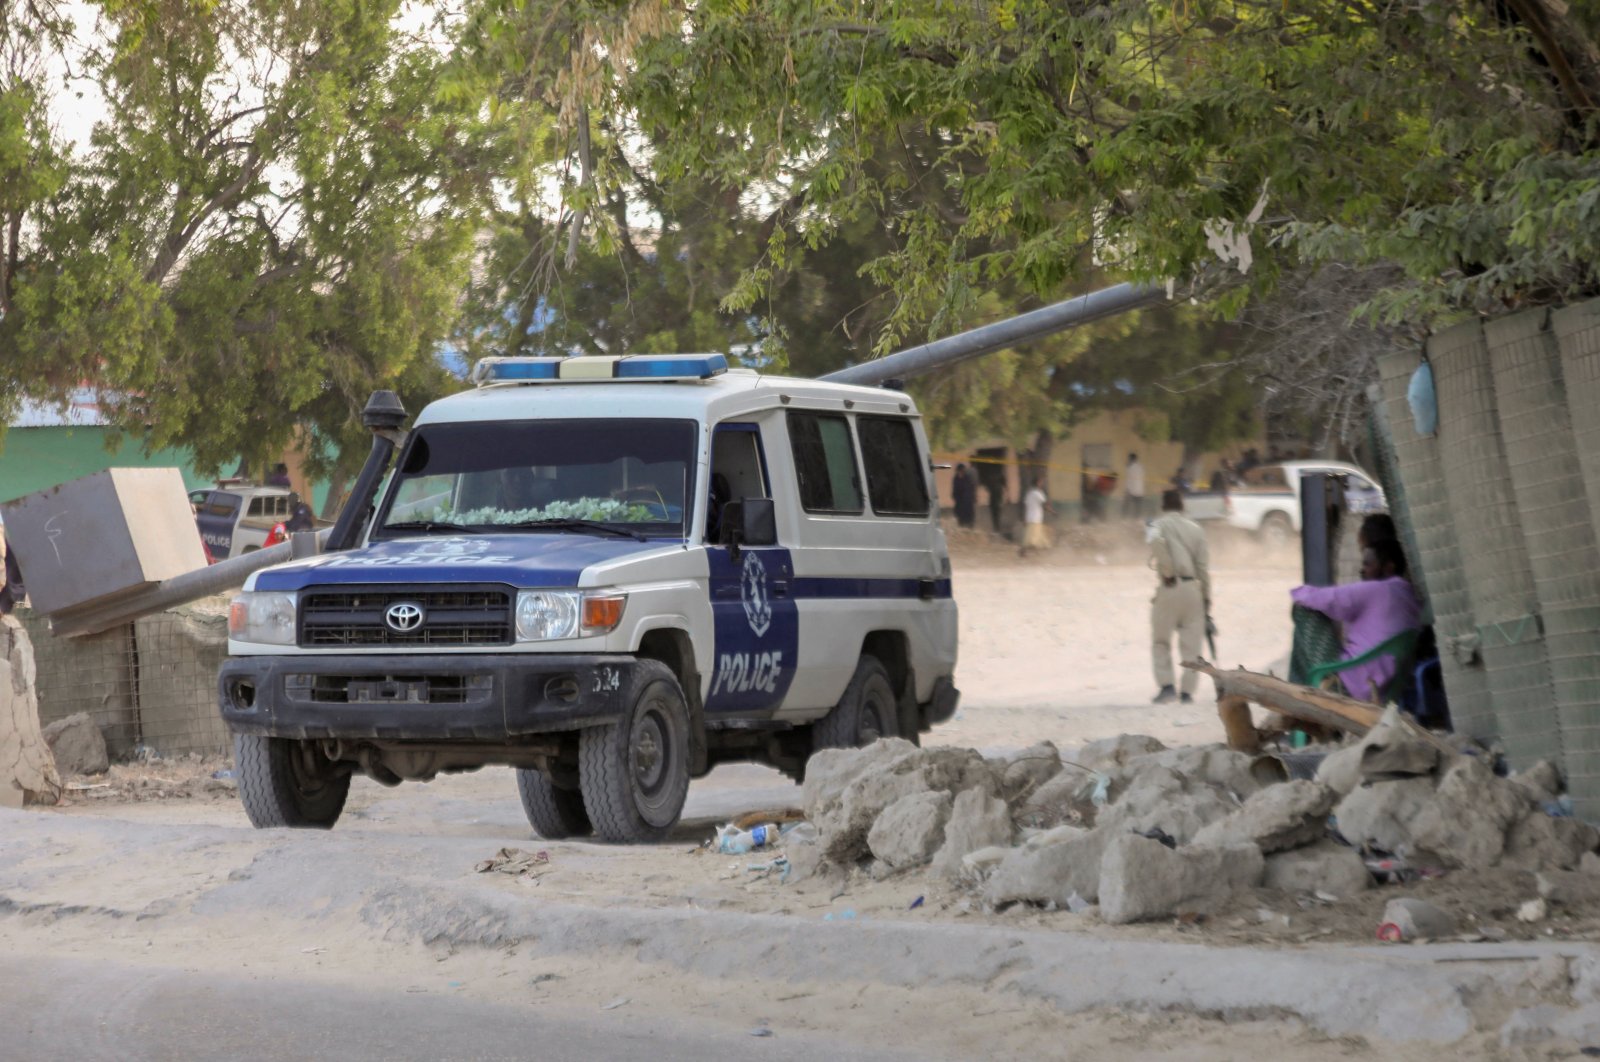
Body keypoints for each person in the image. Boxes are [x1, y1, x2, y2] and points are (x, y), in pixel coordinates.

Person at [1290, 538, 1422, 703]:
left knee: (1304, 610)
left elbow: (1321, 598)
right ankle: (1298, 690)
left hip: (1345, 687)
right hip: (1380, 692)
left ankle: (1295, 692)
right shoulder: (1407, 594)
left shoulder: (1379, 590)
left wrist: (1296, 592)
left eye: (1368, 564)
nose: (1362, 570)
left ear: (1389, 567)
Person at [1148, 489, 1210, 705]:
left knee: (1161, 641)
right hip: (1192, 589)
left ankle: (1166, 687)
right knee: (1192, 644)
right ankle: (1187, 692)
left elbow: (1155, 544)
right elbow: (1203, 568)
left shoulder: (1156, 525)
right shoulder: (1196, 529)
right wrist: (1207, 599)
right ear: (1182, 506)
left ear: (1163, 506)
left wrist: (1167, 572)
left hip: (1169, 587)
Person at [1019, 475, 1054, 557]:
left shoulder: (1029, 493)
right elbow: (1045, 505)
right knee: (1032, 539)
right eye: (1041, 482)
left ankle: (1029, 552)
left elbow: (1026, 506)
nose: (1042, 483)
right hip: (1035, 519)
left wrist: (1024, 518)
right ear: (1038, 483)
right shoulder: (1038, 493)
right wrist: (1053, 512)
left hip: (1030, 518)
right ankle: (1023, 551)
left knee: (1034, 537)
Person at [952, 463, 978, 529]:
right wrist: (955, 497)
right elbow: (955, 490)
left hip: (967, 502)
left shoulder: (967, 478)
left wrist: (973, 498)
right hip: (959, 503)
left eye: (962, 471)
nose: (961, 472)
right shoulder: (956, 479)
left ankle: (970, 528)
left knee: (969, 519)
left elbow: (970, 489)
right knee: (961, 520)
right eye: (960, 471)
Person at [1122, 453, 1145, 519]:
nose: (1128, 460)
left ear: (1131, 459)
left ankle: (1124, 518)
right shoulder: (1141, 467)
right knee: (1137, 506)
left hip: (1132, 490)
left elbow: (1129, 480)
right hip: (1140, 490)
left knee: (1126, 505)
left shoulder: (1130, 468)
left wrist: (1127, 490)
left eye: (1129, 459)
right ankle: (1136, 518)